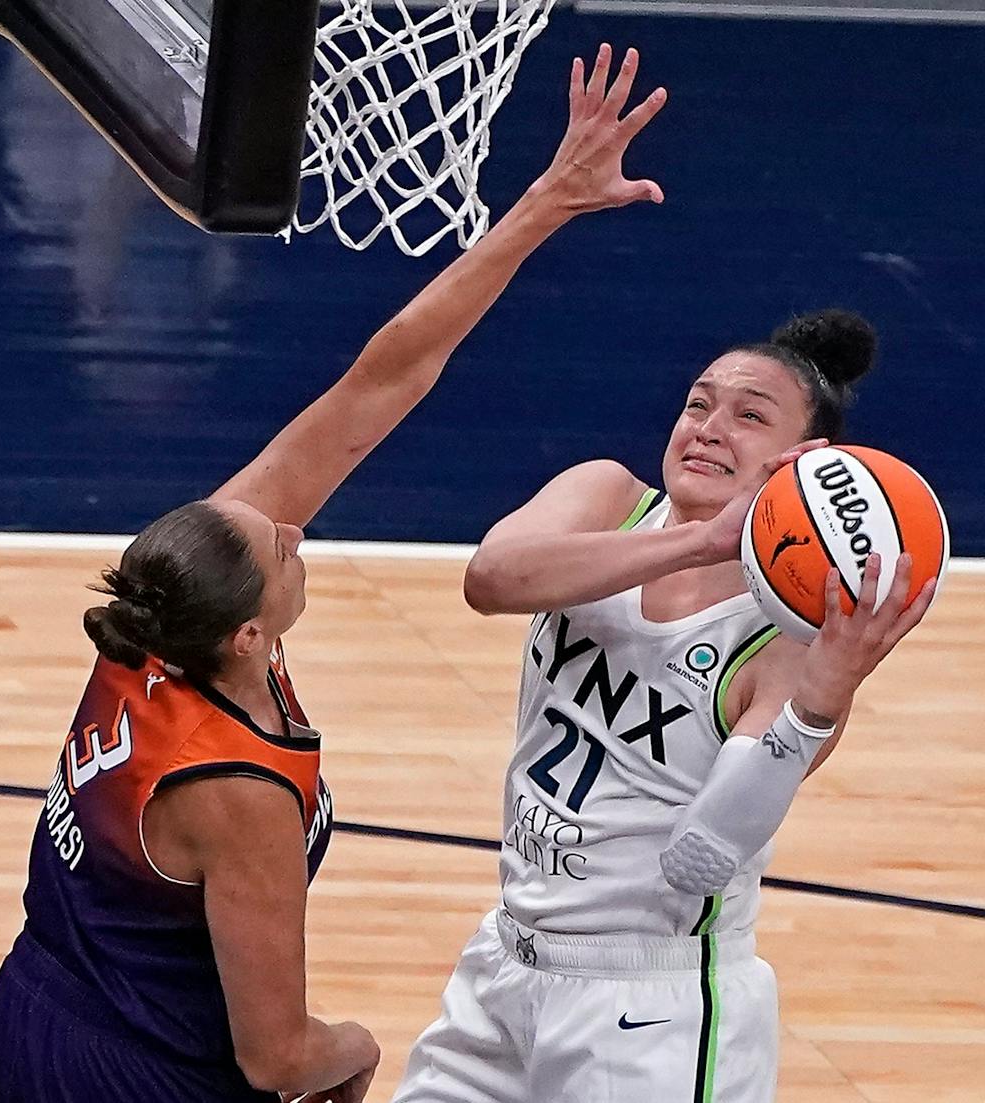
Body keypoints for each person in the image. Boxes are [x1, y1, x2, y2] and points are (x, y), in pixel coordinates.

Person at [0, 43, 669, 1103]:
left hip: (38, 1002)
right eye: (280, 550)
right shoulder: (237, 787)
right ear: (249, 636)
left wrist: (543, 204)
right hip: (133, 1072)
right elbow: (278, 1056)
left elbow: (377, 378)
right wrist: (360, 1045)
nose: (294, 532)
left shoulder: (167, 599)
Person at [390, 266, 937, 1099]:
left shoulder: (789, 643)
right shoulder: (606, 496)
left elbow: (701, 857)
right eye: (698, 403)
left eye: (749, 416)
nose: (710, 427)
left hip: (654, 1010)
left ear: (807, 461)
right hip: (504, 965)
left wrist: (824, 698)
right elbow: (492, 578)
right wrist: (698, 541)